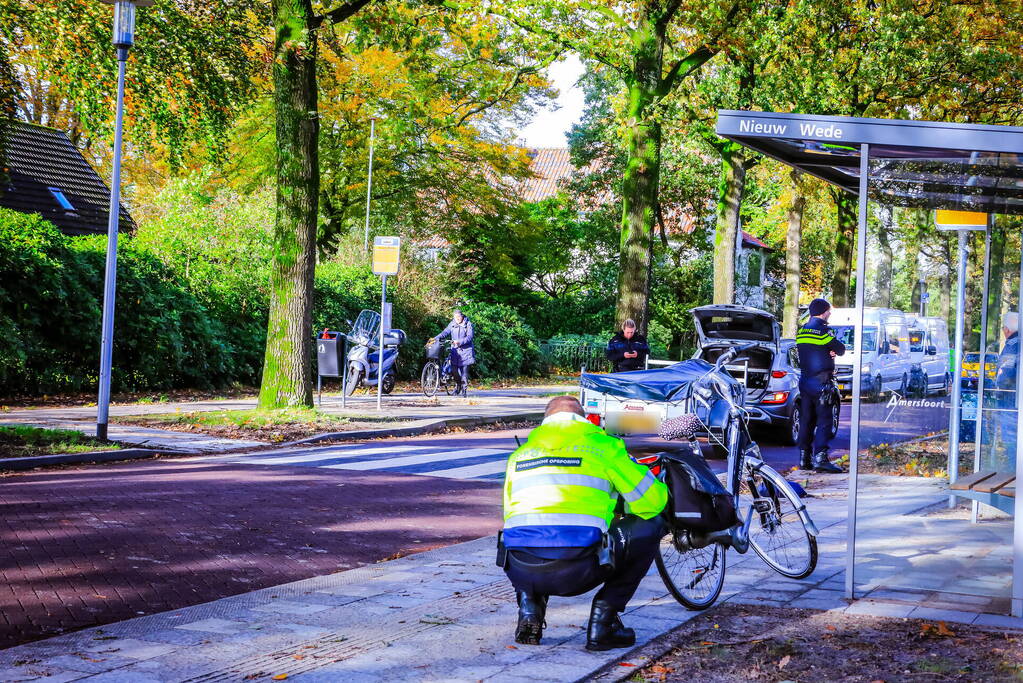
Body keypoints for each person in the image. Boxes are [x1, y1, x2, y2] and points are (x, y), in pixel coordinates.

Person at [500, 396, 667, 651]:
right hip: (581, 569)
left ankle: (529, 609)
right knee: (652, 525)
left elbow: (511, 515)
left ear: (545, 422)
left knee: (531, 530)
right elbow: (652, 503)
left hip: (521, 568)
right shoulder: (605, 447)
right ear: (585, 419)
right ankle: (604, 622)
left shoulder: (518, 456)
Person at [795, 298, 845, 473]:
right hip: (822, 382)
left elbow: (812, 350)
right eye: (829, 311)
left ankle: (804, 458)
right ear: (823, 312)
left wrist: (826, 351)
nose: (830, 313)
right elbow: (840, 349)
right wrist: (830, 351)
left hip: (805, 382)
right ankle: (821, 459)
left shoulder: (802, 332)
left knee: (806, 420)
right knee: (824, 420)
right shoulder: (823, 332)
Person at [989, 311, 1019, 465]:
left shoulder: (1013, 345)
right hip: (1014, 398)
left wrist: (997, 390)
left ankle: (1014, 471)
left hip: (1010, 400)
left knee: (1010, 437)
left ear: (1007, 329)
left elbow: (1005, 373)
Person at [430, 308, 475, 396]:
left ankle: (464, 390)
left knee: (464, 372)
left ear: (462, 316)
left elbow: (470, 337)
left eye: (458, 317)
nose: (457, 318)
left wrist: (459, 341)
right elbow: (445, 332)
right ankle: (458, 385)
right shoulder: (452, 324)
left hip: (466, 351)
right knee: (454, 371)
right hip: (455, 351)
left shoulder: (468, 324)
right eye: (455, 317)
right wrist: (435, 338)